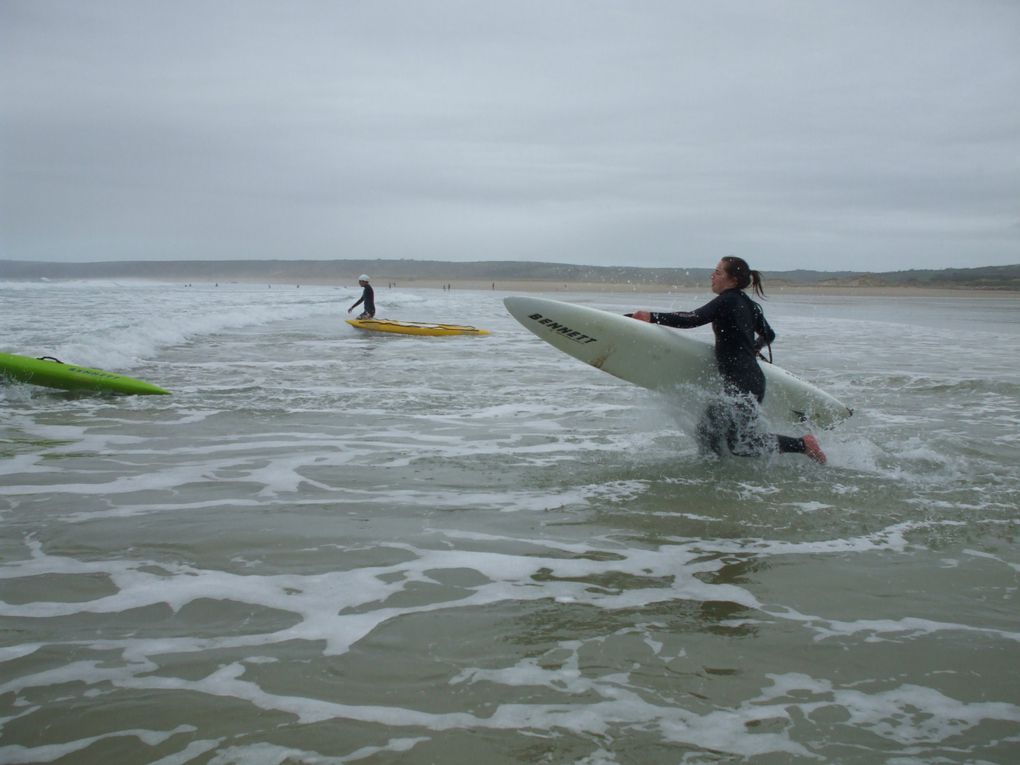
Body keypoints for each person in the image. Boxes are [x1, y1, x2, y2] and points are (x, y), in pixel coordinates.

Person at [630, 256, 826, 464]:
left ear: (732, 280)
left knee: (742, 444)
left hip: (743, 383)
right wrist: (752, 348)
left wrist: (653, 317)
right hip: (747, 380)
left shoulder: (727, 300)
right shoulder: (748, 303)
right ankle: (712, 473)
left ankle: (804, 444)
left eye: (718, 272)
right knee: (707, 432)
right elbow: (769, 334)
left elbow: (693, 318)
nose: (712, 276)